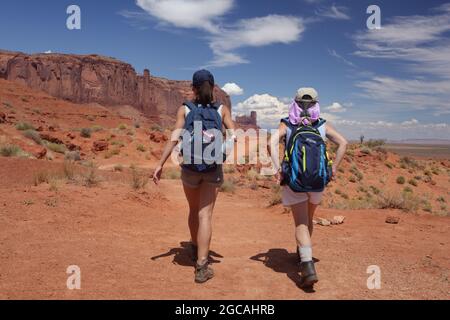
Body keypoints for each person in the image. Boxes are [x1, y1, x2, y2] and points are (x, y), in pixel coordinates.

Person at [152, 70, 235, 284]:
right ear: (213, 87)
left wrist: (160, 163)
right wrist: (222, 153)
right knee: (205, 215)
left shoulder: (185, 109)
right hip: (212, 169)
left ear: (193, 88)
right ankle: (202, 265)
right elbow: (235, 135)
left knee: (193, 210)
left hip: (189, 168)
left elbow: (174, 137)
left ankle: (195, 246)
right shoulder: (222, 109)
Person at [270, 87, 347, 288]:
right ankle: (303, 252)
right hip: (318, 181)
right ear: (316, 103)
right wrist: (334, 169)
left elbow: (270, 142)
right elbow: (343, 143)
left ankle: (307, 264)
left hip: (294, 180)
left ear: (294, 102)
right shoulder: (321, 125)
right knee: (309, 218)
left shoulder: (287, 123)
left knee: (301, 223)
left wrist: (278, 169)